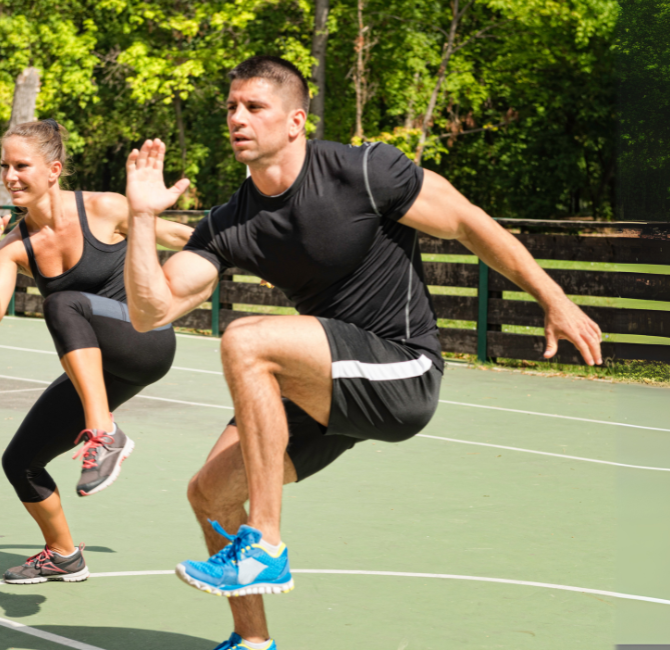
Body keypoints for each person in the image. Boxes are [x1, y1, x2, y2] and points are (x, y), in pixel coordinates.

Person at [122, 57, 603, 649]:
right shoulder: (231, 224)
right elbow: (152, 311)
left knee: (247, 340)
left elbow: (468, 222)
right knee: (210, 493)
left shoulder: (364, 171)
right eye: (230, 108)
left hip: (402, 367)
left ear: (296, 120)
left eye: (254, 107)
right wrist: (141, 218)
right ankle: (252, 643)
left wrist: (553, 299)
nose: (237, 118)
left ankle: (266, 545)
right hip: (329, 379)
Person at [0, 119, 192, 584]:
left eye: (21, 165)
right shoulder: (15, 246)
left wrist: (261, 253)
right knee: (21, 463)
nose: (10, 175)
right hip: (98, 370)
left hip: (146, 340)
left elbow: (182, 237)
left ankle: (103, 432)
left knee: (62, 303)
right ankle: (64, 554)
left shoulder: (103, 208)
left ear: (53, 169)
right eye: (5, 165)